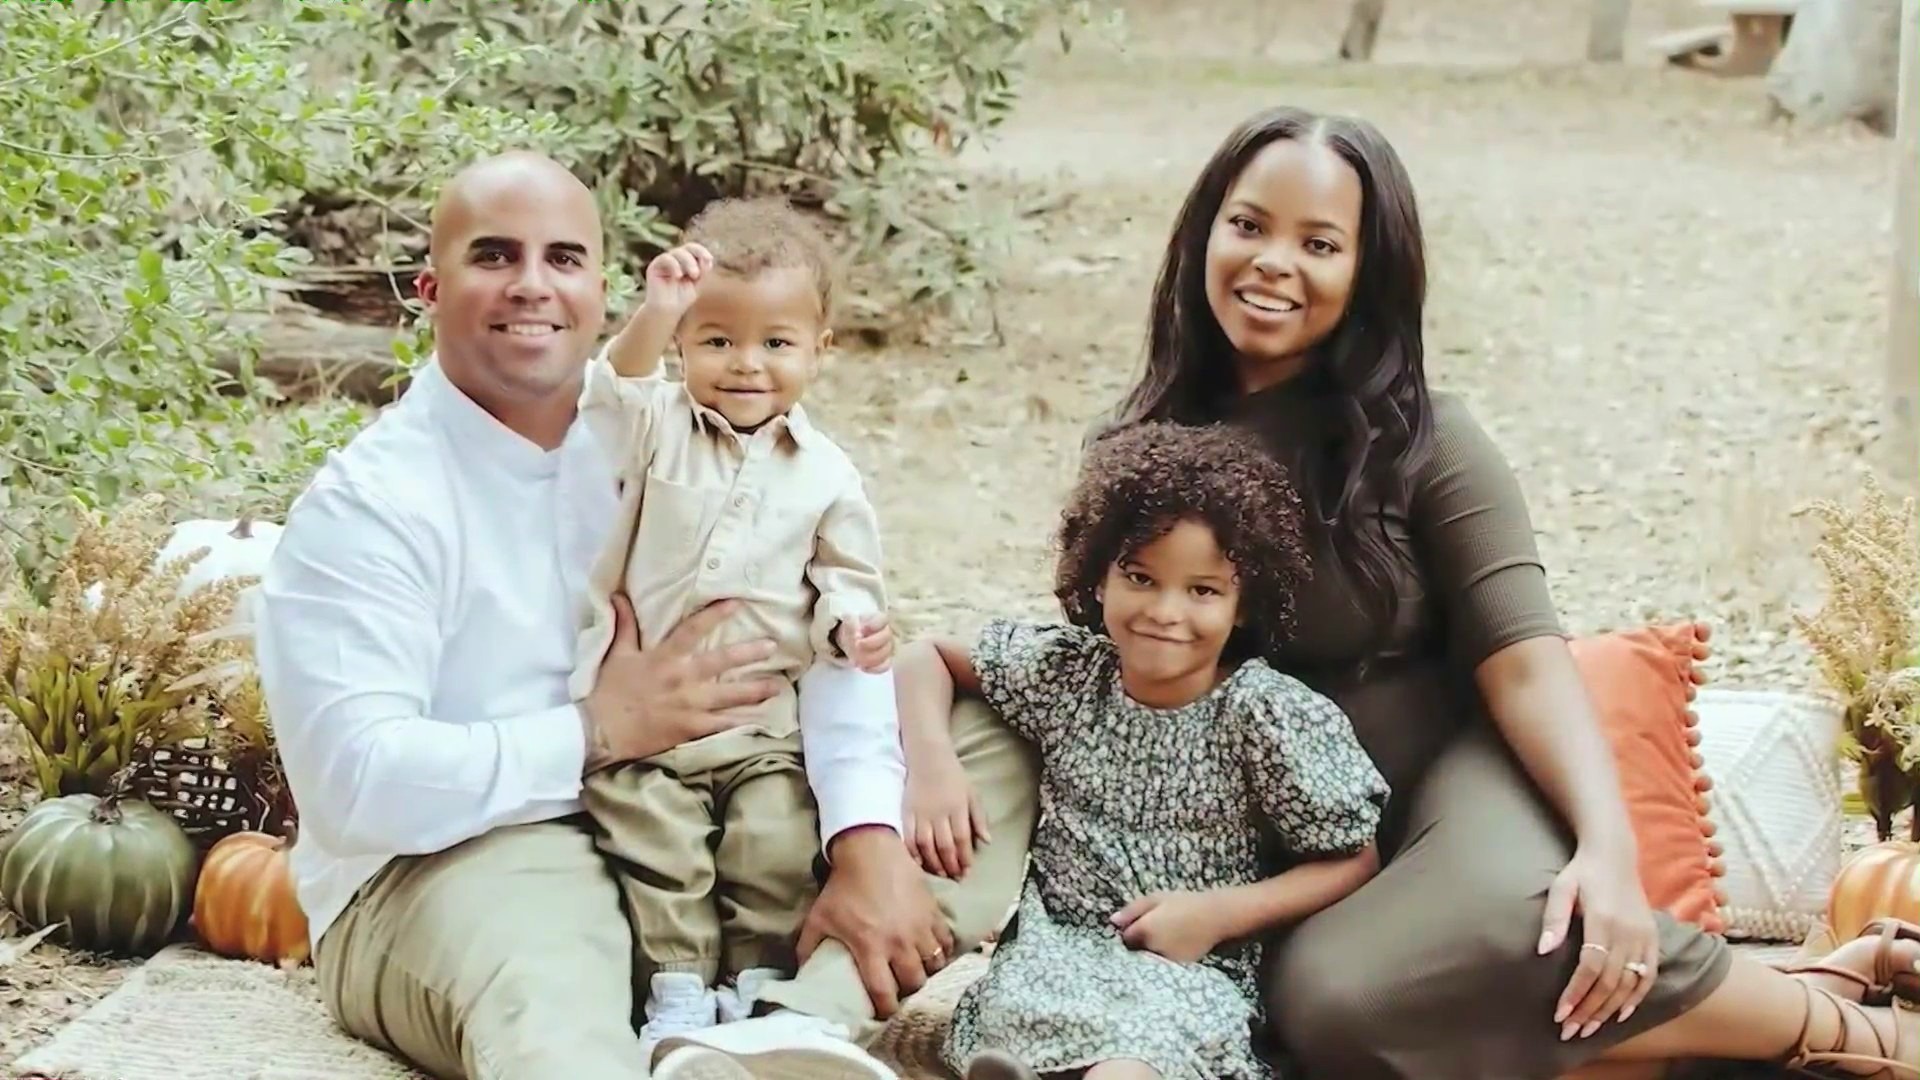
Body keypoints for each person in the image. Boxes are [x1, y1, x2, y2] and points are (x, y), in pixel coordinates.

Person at [1093, 104, 1917, 1080]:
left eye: (1319, 243)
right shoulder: (1140, 449)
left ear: (1367, 275)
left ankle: (1857, 1034)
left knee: (1341, 1001)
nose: (1274, 262)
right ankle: (1813, 989)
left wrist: (1608, 850)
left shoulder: (1427, 442)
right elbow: (1100, 657)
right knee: (1276, 1003)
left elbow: (1528, 662)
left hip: (1453, 785)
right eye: (1249, 226)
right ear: (1203, 235)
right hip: (1283, 827)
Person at [253, 151, 1037, 1080]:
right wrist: (600, 730)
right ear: (430, 287)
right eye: (495, 256)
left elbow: (807, 643)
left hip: (727, 793)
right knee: (549, 993)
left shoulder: (692, 435)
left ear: (603, 288)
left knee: (986, 743)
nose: (533, 285)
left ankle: (786, 1027)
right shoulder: (372, 504)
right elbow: (356, 788)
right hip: (482, 852)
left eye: (563, 259)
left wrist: (864, 837)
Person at [895, 421, 1391, 1080]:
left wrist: (1217, 914)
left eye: (1202, 590)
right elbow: (921, 657)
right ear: (1098, 576)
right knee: (1012, 1022)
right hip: (1056, 952)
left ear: (1244, 605)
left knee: (1131, 1063)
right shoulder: (1068, 676)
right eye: (1140, 577)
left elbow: (1354, 857)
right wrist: (932, 769)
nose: (1165, 611)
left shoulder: (1264, 715)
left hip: (1186, 965)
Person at [569, 197, 897, 1046]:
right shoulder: (656, 429)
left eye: (776, 343)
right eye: (717, 340)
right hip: (651, 737)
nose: (746, 364)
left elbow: (845, 576)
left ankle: (756, 987)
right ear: (684, 345)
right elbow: (615, 389)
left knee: (775, 841)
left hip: (760, 727)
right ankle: (676, 989)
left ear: (820, 352)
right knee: (660, 850)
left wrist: (853, 629)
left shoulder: (827, 475)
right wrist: (656, 310)